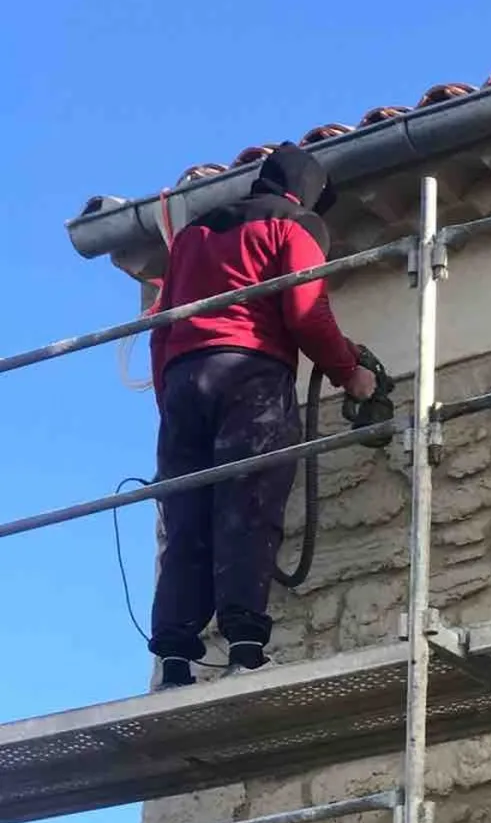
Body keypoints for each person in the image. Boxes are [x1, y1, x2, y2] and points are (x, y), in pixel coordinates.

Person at [147, 143, 376, 688]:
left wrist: (170, 397)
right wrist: (349, 372)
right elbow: (306, 311)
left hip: (184, 382)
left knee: (187, 515)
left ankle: (174, 659)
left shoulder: (193, 236)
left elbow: (162, 329)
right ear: (306, 193)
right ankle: (245, 649)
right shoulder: (295, 225)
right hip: (250, 376)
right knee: (246, 505)